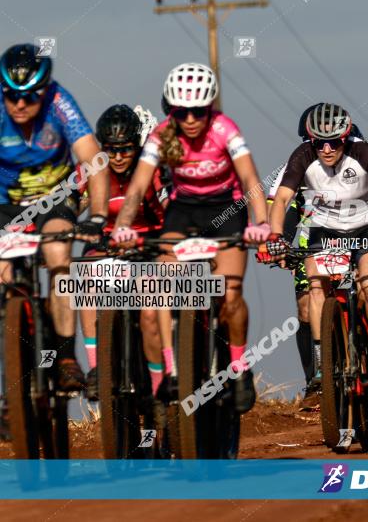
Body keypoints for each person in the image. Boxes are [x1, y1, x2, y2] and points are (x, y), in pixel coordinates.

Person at [112, 63, 270, 413]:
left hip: (225, 210)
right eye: (182, 112)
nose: (191, 119)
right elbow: (137, 187)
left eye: (199, 110)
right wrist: (123, 224)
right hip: (183, 209)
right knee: (160, 285)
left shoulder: (225, 129)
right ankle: (171, 371)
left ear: (209, 107)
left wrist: (261, 222)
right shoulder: (163, 135)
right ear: (172, 111)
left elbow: (250, 179)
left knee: (230, 295)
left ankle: (239, 368)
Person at [267, 103, 368, 394]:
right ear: (311, 140)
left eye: (334, 143)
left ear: (345, 137)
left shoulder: (364, 152)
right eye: (320, 143)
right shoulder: (302, 156)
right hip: (325, 230)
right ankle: (321, 363)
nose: (327, 149)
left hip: (367, 227)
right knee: (316, 288)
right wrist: (276, 237)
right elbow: (281, 199)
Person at [0, 43, 110, 391]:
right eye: (11, 96)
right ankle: (11, 390)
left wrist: (99, 214)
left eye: (29, 96)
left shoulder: (60, 104)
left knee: (59, 253)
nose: (19, 104)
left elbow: (94, 160)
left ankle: (64, 356)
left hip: (56, 199)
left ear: (44, 91)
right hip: (6, 203)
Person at [79, 104, 167, 401]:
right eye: (111, 149)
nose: (117, 157)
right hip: (106, 246)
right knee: (84, 281)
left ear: (137, 146)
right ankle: (96, 369)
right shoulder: (93, 168)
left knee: (150, 305)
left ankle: (160, 386)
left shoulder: (151, 170)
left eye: (125, 149)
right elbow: (70, 204)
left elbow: (170, 210)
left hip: (147, 245)